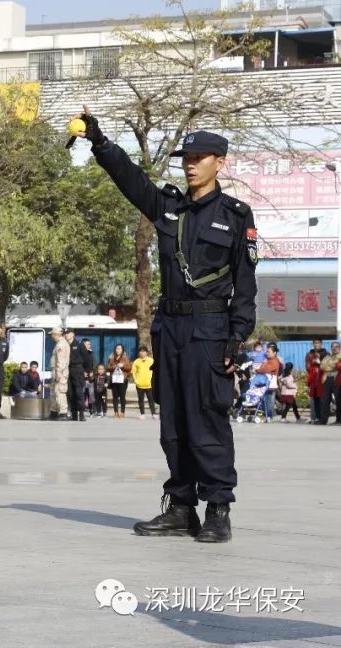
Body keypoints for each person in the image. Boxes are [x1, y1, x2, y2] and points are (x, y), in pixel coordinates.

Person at [78, 111, 257, 543]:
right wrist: (100, 142)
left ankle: (217, 508)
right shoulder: (168, 207)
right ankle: (181, 507)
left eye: (199, 157)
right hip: (170, 328)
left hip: (211, 329)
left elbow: (246, 284)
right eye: (186, 157)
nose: (190, 164)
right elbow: (131, 179)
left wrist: (237, 336)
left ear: (220, 162)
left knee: (207, 421)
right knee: (172, 422)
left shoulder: (235, 215)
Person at [65, 329, 91, 422]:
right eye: (65, 333)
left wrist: (87, 370)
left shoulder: (79, 344)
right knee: (70, 393)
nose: (66, 335)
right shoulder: (66, 345)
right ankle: (74, 414)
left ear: (73, 334)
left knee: (79, 393)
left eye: (68, 333)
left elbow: (87, 358)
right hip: (68, 370)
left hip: (78, 369)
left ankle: (81, 414)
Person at [49, 327, 70, 420]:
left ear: (56, 334)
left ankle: (63, 413)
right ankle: (53, 412)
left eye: (52, 334)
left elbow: (61, 361)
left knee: (60, 392)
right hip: (56, 370)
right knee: (54, 392)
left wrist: (59, 374)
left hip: (60, 371)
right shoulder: (59, 343)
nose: (51, 336)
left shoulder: (61, 345)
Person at [108, 344, 132, 418]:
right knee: (114, 397)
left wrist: (123, 366)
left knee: (122, 396)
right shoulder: (111, 358)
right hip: (114, 379)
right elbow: (107, 367)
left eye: (119, 349)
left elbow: (129, 368)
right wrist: (114, 366)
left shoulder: (126, 358)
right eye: (117, 348)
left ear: (122, 350)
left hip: (122, 379)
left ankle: (122, 412)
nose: (118, 350)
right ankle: (115, 412)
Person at [319, 342, 341, 425]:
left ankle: (339, 420)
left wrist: (329, 366)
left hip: (337, 379)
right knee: (324, 400)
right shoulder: (328, 356)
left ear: (339, 348)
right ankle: (323, 420)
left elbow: (336, 366)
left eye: (336, 347)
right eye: (333, 347)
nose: (334, 348)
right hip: (326, 379)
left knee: (339, 400)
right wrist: (331, 365)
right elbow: (322, 366)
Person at [132, 346, 156, 419]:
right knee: (140, 400)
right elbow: (133, 372)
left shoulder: (151, 361)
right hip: (139, 384)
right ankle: (142, 414)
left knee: (151, 399)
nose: (142, 353)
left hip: (149, 384)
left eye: (144, 351)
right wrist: (135, 381)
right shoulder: (136, 361)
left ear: (147, 352)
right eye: (141, 351)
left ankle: (153, 413)